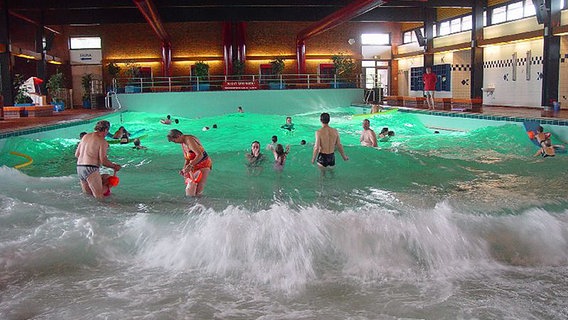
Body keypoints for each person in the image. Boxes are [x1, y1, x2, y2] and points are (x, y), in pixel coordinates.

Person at [75, 120, 122, 199]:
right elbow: (103, 161)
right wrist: (114, 166)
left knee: (88, 196)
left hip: (80, 168)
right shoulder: (102, 141)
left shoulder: (85, 136)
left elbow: (77, 154)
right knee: (99, 196)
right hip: (91, 168)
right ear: (106, 130)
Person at [167, 129, 212, 197]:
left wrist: (190, 165)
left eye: (174, 140)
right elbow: (187, 158)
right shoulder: (183, 142)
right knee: (192, 187)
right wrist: (184, 169)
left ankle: (201, 205)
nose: (175, 143)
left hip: (204, 163)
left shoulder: (189, 140)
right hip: (194, 164)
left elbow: (200, 155)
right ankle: (194, 205)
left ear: (179, 136)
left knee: (199, 189)